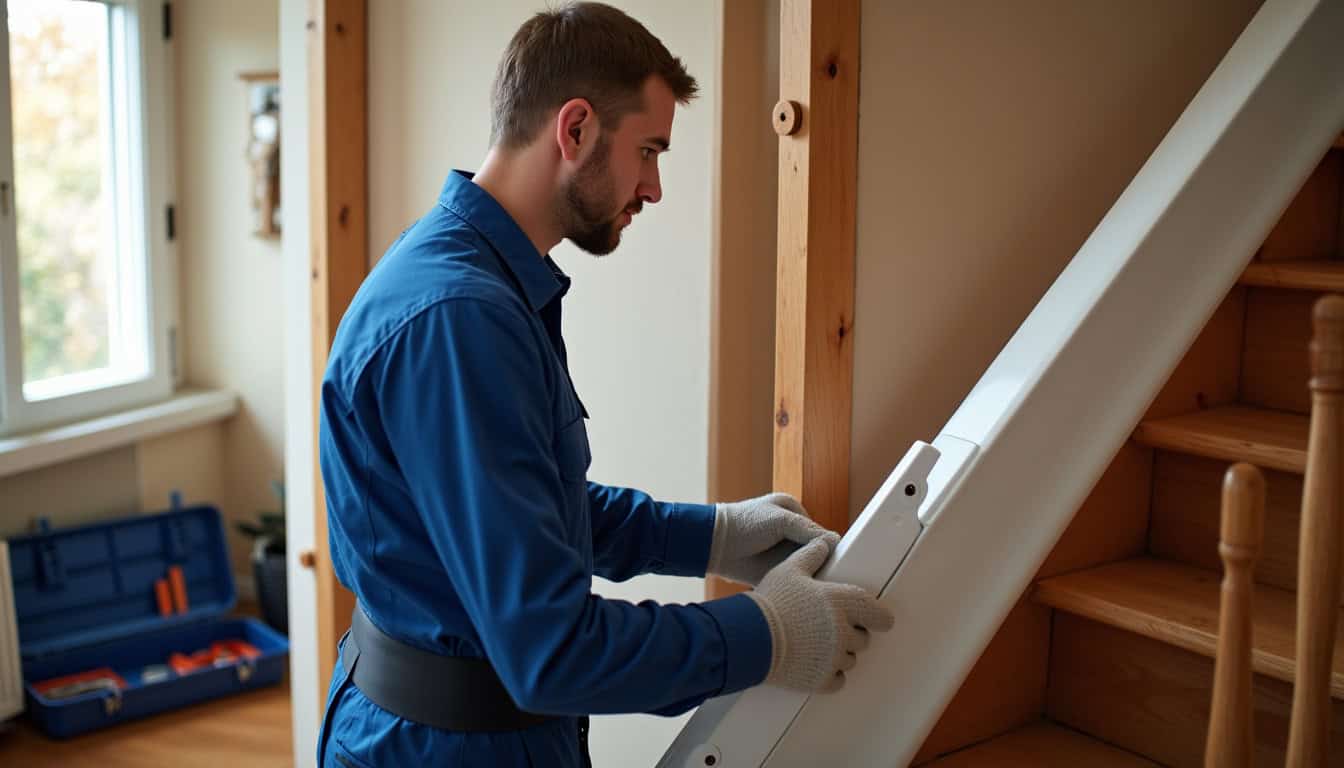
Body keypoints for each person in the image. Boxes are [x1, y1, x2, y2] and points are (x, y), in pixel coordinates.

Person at [316, 3, 893, 766]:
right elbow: (553, 651)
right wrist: (767, 635)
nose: (653, 187)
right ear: (577, 128)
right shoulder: (461, 318)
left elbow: (528, 511)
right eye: (648, 151)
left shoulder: (473, 276)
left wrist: (712, 535)